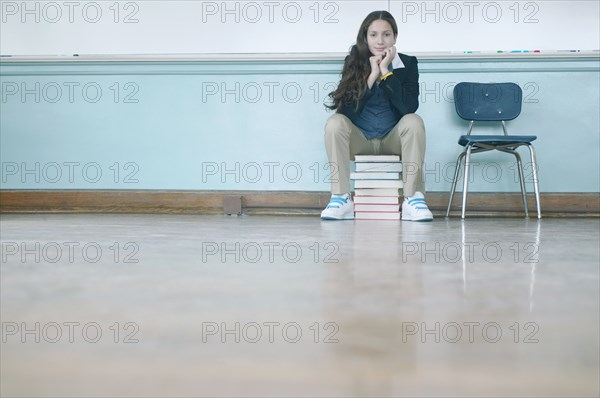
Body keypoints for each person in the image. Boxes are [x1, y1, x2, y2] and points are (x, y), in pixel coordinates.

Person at [320, 10, 433, 222]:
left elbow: (408, 108)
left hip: (393, 141)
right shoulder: (353, 61)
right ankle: (341, 197)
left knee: (414, 122)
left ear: (395, 37)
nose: (380, 41)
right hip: (360, 140)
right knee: (335, 122)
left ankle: (412, 198)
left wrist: (386, 71)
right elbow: (346, 111)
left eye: (386, 34)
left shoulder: (408, 63)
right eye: (373, 35)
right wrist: (372, 76)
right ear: (365, 37)